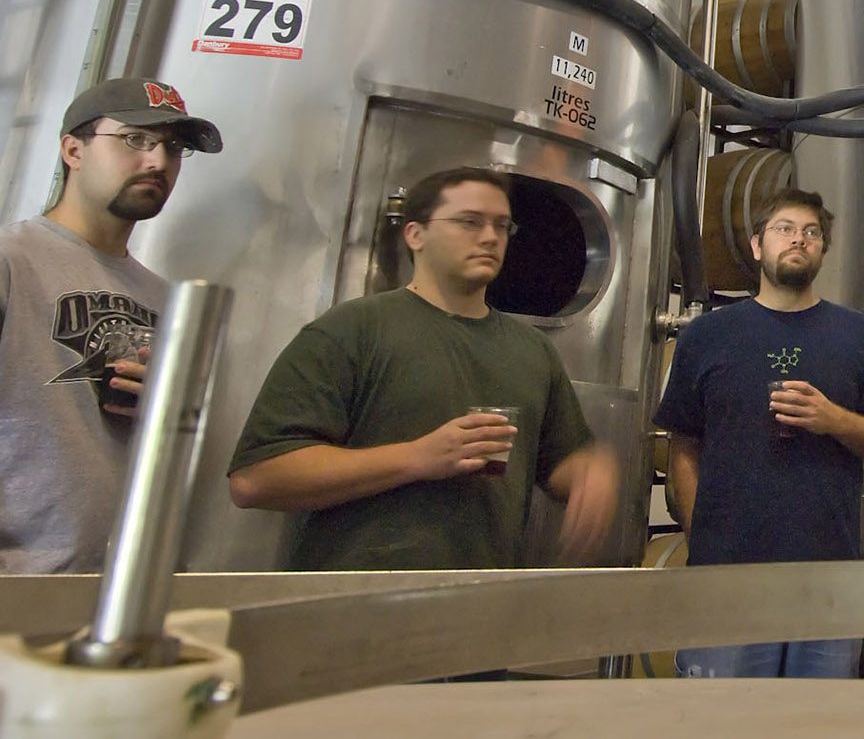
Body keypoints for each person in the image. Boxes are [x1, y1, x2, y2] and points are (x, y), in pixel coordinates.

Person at [228, 166, 619, 570]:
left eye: (502, 226)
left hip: (477, 607)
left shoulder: (533, 352)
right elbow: (256, 478)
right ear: (415, 234)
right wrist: (418, 457)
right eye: (470, 222)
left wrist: (591, 475)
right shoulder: (351, 330)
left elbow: (562, 461)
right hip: (349, 609)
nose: (490, 237)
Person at [655, 187, 864, 679]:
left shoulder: (859, 334)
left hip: (828, 578)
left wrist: (833, 420)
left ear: (822, 249)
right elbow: (683, 446)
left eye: (811, 232)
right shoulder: (707, 335)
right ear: (757, 246)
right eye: (785, 229)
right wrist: (700, 537)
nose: (799, 239)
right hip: (727, 581)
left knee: (816, 725)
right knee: (723, 725)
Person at [0, 78, 224, 573]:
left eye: (173, 148)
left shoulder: (167, 300)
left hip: (111, 592)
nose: (158, 162)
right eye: (134, 140)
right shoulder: (12, 261)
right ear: (73, 150)